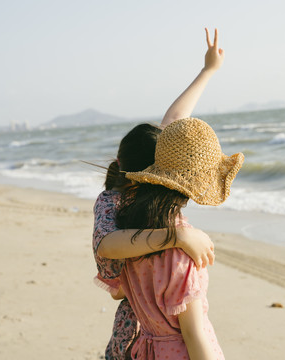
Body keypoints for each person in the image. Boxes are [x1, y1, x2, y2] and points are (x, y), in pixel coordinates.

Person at [92, 28, 224, 359]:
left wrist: (208, 70)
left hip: (149, 322)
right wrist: (176, 237)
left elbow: (176, 119)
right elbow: (107, 246)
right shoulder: (115, 205)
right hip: (138, 328)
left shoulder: (141, 199)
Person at [117, 117, 244, 359]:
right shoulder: (183, 248)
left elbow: (118, 292)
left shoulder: (130, 231)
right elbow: (194, 335)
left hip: (147, 350)